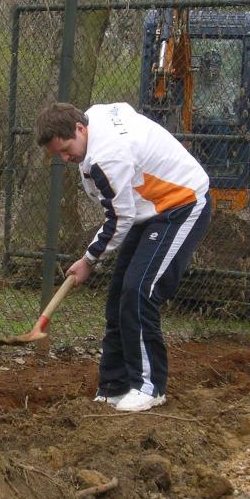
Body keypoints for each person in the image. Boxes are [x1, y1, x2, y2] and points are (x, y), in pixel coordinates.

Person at [36, 102, 212, 412]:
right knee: (119, 295)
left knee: (139, 291)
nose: (65, 159)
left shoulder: (108, 155)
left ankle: (149, 386)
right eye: (57, 155)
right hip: (149, 209)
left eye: (65, 150)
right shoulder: (93, 119)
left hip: (181, 204)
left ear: (80, 128)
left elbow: (120, 218)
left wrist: (89, 260)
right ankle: (114, 386)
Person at [193, 49, 237, 120]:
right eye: (207, 66)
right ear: (201, 66)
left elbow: (227, 109)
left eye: (215, 66)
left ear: (219, 67)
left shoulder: (227, 85)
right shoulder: (194, 79)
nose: (211, 70)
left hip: (215, 121)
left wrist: (206, 111)